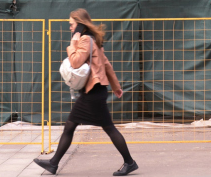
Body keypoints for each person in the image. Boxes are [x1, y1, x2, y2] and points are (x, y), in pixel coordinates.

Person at [34, 9, 138, 176]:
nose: (70, 28)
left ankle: (129, 162)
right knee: (74, 125)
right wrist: (116, 86)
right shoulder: (92, 39)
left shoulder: (84, 40)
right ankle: (53, 163)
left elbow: (75, 62)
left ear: (79, 25)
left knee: (99, 127)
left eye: (72, 25)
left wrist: (73, 42)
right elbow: (107, 65)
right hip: (95, 91)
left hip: (93, 93)